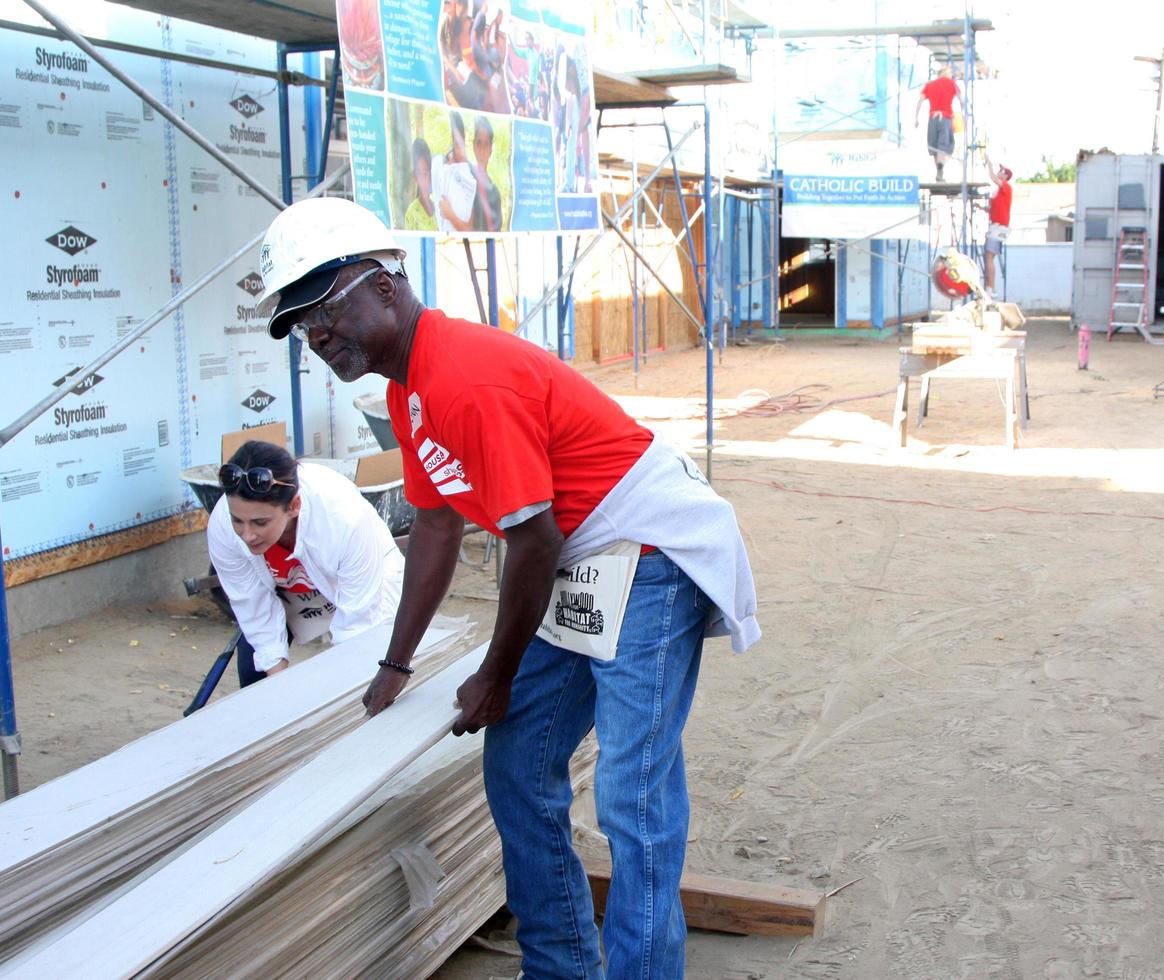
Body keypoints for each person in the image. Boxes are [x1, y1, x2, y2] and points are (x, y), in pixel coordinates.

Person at [254, 197, 760, 980]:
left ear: (386, 286)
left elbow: (534, 540)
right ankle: (560, 966)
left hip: (650, 549)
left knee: (631, 792)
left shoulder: (462, 378)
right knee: (520, 764)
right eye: (301, 323)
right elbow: (435, 529)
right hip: (583, 558)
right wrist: (394, 666)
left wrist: (494, 675)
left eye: (326, 306)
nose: (317, 334)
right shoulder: (408, 392)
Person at [208, 440, 406, 688]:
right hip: (291, 589)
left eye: (260, 523)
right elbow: (252, 606)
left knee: (371, 669)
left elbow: (358, 625)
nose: (247, 535)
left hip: (359, 584)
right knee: (254, 676)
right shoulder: (222, 527)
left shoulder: (343, 517)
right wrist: (277, 686)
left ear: (293, 506)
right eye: (238, 521)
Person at [916, 65, 962, 182]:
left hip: (933, 118)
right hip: (945, 118)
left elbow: (920, 100)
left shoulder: (930, 84)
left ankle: (939, 171)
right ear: (946, 73)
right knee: (946, 146)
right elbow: (961, 100)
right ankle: (940, 169)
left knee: (934, 146)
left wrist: (916, 118)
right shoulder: (951, 83)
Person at [984, 158, 1013, 292]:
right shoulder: (1000, 193)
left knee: (989, 256)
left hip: (998, 227)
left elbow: (992, 177)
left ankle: (991, 288)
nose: (999, 172)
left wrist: (989, 164)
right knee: (990, 256)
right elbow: (994, 209)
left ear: (1006, 176)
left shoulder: (1006, 187)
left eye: (1001, 171)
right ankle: (990, 287)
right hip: (999, 226)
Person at [469, 117, 504, 232]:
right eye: (479, 143)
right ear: (473, 146)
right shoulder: (465, 180)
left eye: (486, 144)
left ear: (491, 149)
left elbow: (495, 232)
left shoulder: (495, 194)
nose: (482, 149)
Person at [402, 138, 439, 232]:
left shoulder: (439, 209)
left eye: (426, 173)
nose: (424, 179)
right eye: (420, 173)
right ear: (415, 177)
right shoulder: (412, 213)